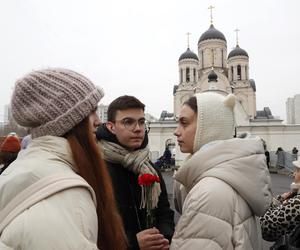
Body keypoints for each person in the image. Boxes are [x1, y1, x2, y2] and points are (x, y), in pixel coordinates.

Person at [0, 68, 127, 249]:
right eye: (91, 111)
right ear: (68, 122)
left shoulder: (23, 167)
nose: (98, 121)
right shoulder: (68, 198)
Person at [170, 92, 272, 249]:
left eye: (184, 123)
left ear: (209, 128)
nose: (176, 131)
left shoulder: (209, 193)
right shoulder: (233, 176)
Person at [96, 95, 174, 250]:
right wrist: (132, 243)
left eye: (141, 121)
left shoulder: (148, 167)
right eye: (128, 122)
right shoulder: (97, 168)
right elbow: (93, 227)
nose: (138, 128)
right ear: (111, 127)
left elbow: (164, 212)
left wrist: (162, 237)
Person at [260, 159, 300, 249]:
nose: (294, 174)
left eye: (297, 171)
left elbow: (265, 228)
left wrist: (277, 201)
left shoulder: (297, 204)